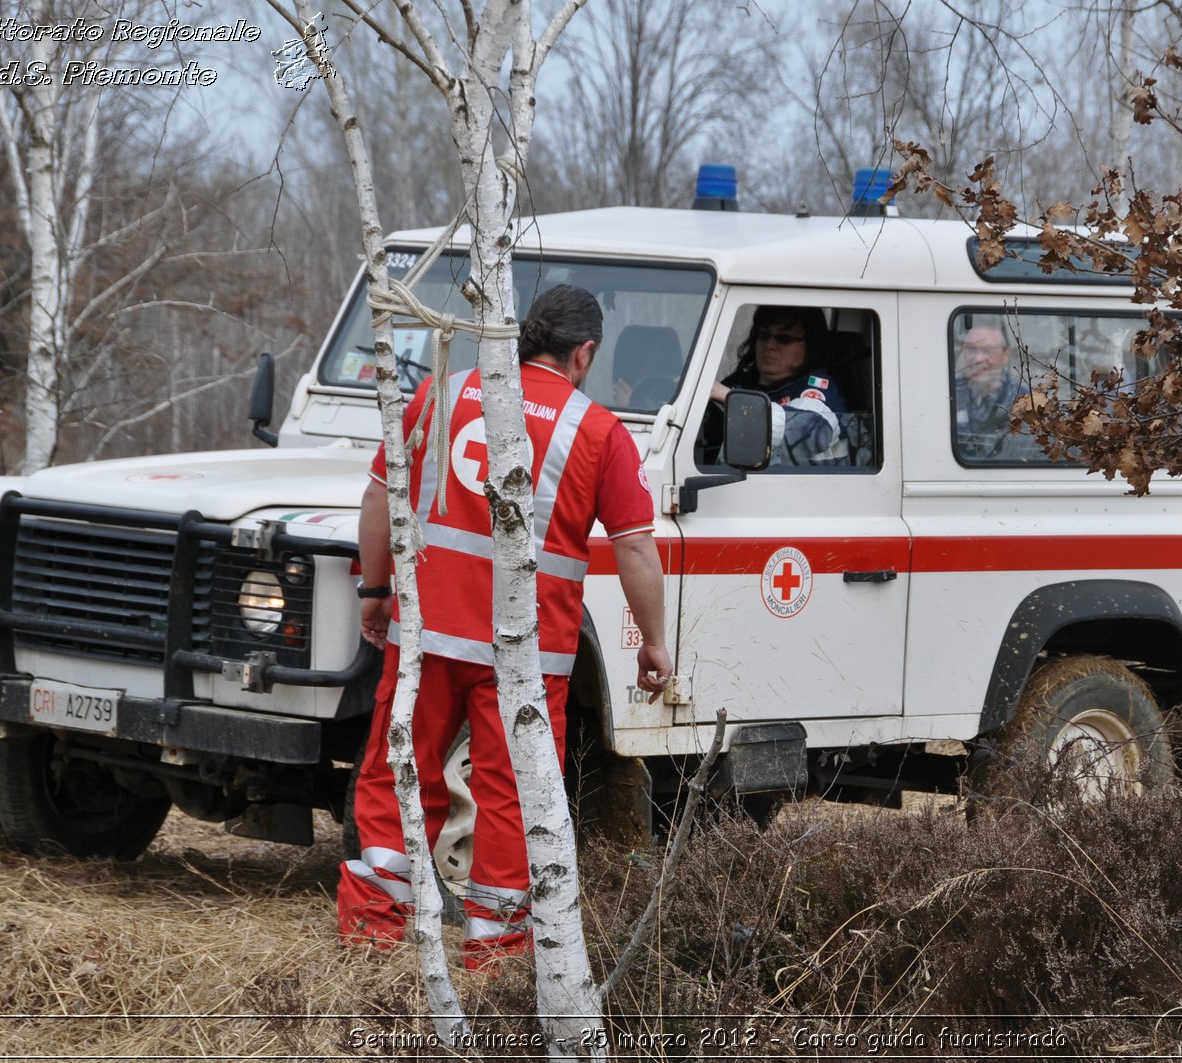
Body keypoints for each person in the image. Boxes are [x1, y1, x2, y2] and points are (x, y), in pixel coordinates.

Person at [338, 284, 674, 968]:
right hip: (524, 653)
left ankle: (370, 935)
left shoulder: (439, 391)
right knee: (511, 796)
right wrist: (655, 641)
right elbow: (636, 545)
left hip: (425, 635)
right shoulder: (598, 430)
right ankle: (494, 956)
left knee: (396, 773)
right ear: (584, 353)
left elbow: (380, 495)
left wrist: (375, 590)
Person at [709, 305, 850, 466]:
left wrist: (728, 397)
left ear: (810, 345)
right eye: (764, 335)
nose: (770, 345)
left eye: (784, 338)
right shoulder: (746, 380)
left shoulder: (818, 390)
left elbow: (804, 432)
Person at [953, 323, 1031, 460]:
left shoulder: (1025, 401)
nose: (977, 359)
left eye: (987, 351)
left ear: (1005, 355)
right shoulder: (949, 394)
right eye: (971, 349)